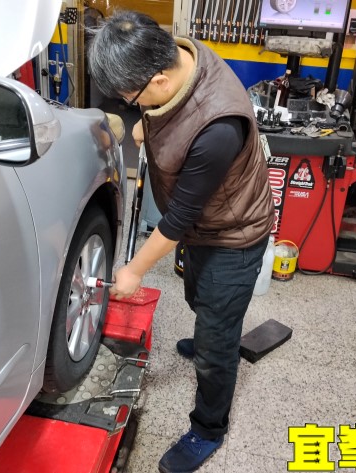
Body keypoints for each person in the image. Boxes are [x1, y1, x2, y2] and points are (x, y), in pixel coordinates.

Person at [88, 11, 274, 473]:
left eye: (130, 98)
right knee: (197, 296)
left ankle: (209, 428)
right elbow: (164, 111)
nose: (129, 105)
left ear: (159, 80)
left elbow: (176, 222)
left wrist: (133, 271)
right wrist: (146, 124)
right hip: (205, 226)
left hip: (234, 234)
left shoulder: (217, 128)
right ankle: (213, 329)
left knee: (215, 344)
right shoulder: (180, 55)